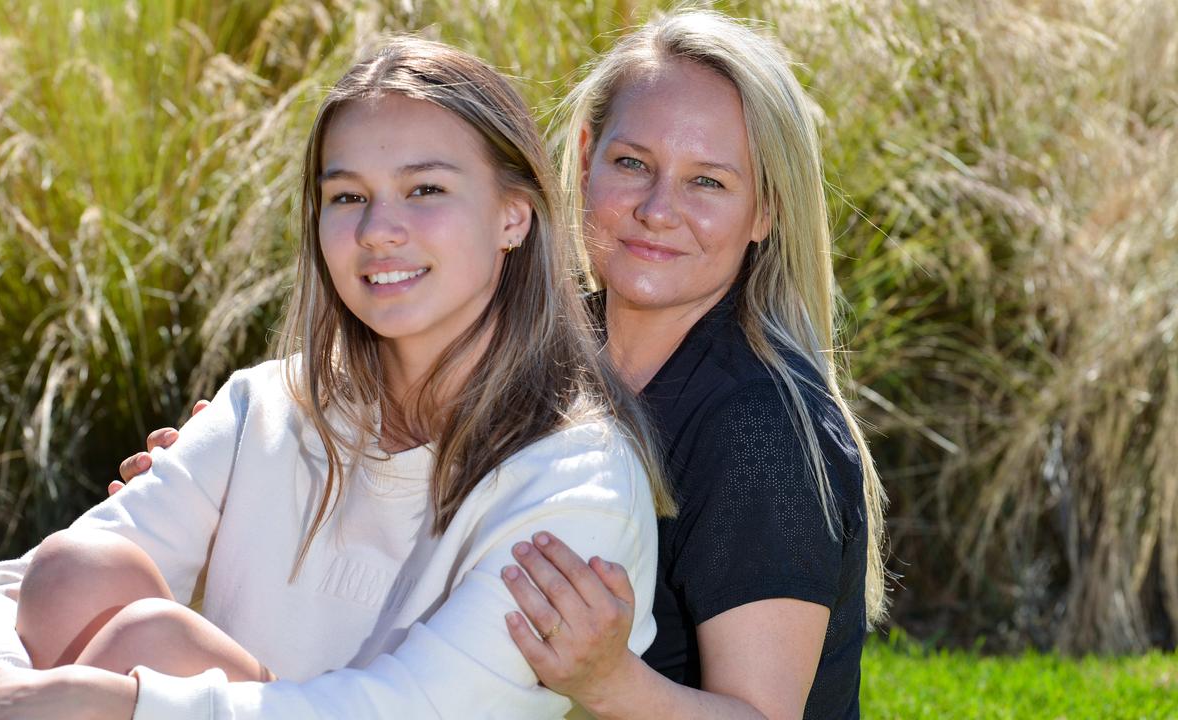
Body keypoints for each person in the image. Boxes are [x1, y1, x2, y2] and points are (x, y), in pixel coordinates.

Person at [118, 10, 886, 719]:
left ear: (767, 211)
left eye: (708, 182)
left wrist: (612, 680)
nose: (658, 208)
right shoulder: (547, 345)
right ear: (583, 160)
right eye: (631, 163)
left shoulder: (763, 431)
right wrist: (234, 476)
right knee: (148, 642)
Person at [0, 37, 671, 720]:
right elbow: (7, 594)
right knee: (77, 571)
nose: (379, 230)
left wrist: (129, 702)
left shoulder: (575, 478)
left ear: (514, 216)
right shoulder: (269, 406)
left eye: (426, 190)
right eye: (348, 197)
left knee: (148, 646)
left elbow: (422, 709)